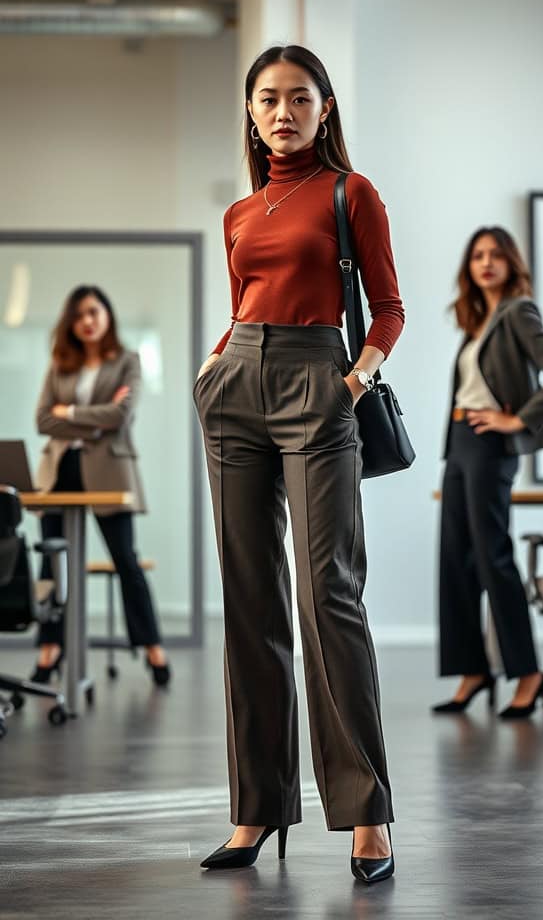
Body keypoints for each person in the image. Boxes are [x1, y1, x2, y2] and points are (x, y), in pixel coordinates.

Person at [194, 45, 405, 884]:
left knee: (330, 600)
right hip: (237, 387)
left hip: (322, 385)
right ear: (251, 112)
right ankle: (257, 808)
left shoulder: (352, 193)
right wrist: (217, 366)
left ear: (325, 109)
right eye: (268, 99)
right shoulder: (242, 213)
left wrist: (353, 380)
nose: (283, 112)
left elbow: (387, 307)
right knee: (249, 604)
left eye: (299, 98)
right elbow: (246, 301)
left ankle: (367, 816)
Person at [434, 227, 543, 719]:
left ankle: (527, 673)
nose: (486, 263)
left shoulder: (518, 312)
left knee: (493, 557)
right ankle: (473, 671)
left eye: (496, 255)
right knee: (455, 558)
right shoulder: (477, 321)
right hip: (459, 444)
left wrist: (517, 420)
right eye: (477, 256)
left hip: (491, 445)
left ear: (512, 263)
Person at [32, 285, 170, 687]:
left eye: (93, 312)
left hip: (110, 470)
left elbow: (121, 416)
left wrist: (70, 412)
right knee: (51, 562)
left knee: (125, 559)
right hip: (60, 469)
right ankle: (50, 650)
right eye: (78, 316)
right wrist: (96, 420)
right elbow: (43, 420)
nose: (87, 321)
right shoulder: (61, 363)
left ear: (106, 315)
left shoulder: (127, 361)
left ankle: (152, 647)